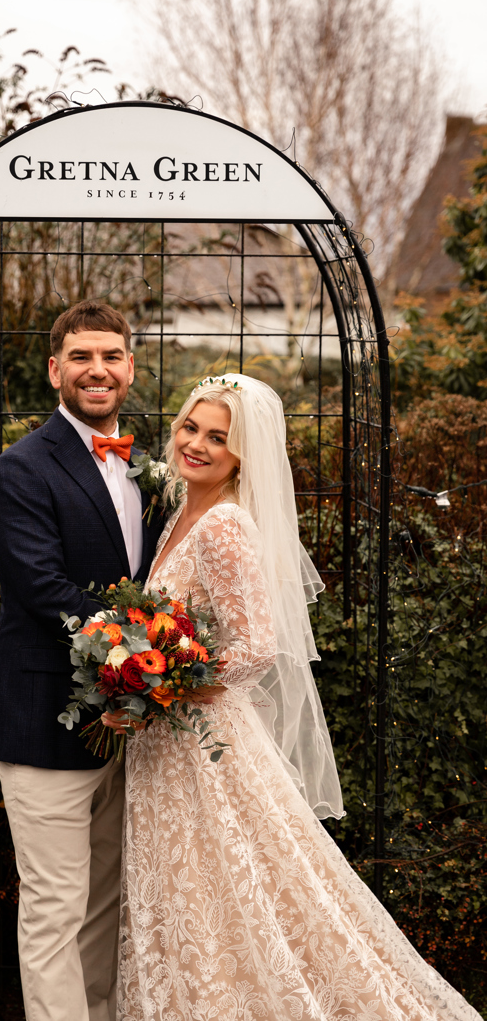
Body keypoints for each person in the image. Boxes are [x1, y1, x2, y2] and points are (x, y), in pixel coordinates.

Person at [117, 374, 480, 1021]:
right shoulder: (180, 508)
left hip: (205, 744)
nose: (195, 444)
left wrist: (167, 686)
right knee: (190, 891)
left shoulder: (225, 522)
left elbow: (256, 647)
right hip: (167, 739)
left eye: (218, 438)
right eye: (190, 427)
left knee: (228, 888)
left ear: (242, 455)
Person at [0, 301, 163, 1021]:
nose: (98, 370)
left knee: (106, 904)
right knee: (55, 905)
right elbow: (44, 592)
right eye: (81, 356)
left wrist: (152, 674)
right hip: (40, 721)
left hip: (128, 725)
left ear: (130, 367)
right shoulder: (20, 470)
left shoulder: (148, 469)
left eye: (111, 355)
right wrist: (153, 645)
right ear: (55, 369)